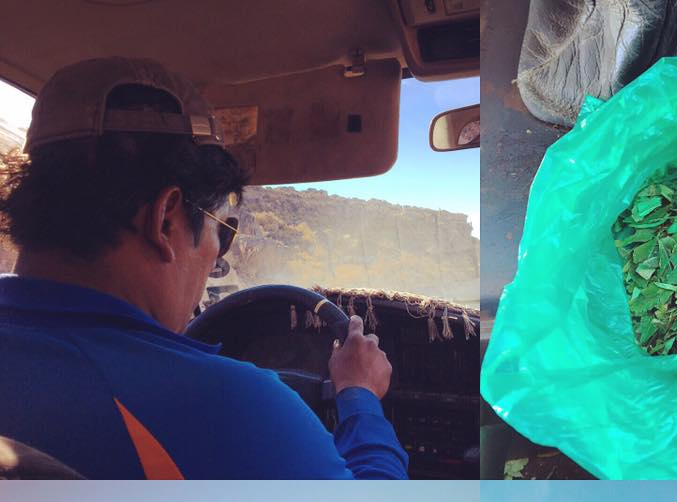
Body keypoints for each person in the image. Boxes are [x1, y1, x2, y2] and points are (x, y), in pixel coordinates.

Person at [0, 58, 408, 479]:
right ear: (165, 219)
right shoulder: (233, 408)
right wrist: (360, 396)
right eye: (222, 232)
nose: (218, 256)